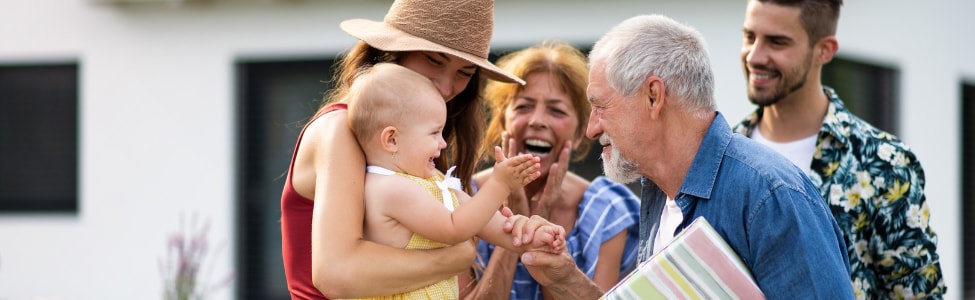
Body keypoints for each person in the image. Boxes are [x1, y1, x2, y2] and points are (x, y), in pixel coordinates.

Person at [515, 14, 855, 299]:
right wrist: (567, 281)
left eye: (600, 106)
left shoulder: (770, 196)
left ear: (653, 96)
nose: (592, 128)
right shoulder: (658, 190)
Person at [278, 0, 535, 298]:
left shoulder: (416, 145)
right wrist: (455, 257)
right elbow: (336, 275)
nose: (446, 86)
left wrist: (523, 228)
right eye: (434, 61)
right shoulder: (339, 129)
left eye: (464, 73)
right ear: (391, 51)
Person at [733, 0, 946, 298]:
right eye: (749, 36)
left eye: (777, 42)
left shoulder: (885, 164)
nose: (754, 56)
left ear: (825, 50)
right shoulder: (724, 157)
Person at [344, 62, 564, 299]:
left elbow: (484, 221)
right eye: (434, 133)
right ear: (392, 140)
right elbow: (454, 228)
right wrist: (500, 185)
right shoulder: (389, 188)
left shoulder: (430, 180)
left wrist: (528, 235)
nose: (442, 143)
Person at [459, 41, 640, 299]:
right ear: (501, 123)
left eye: (556, 110)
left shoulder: (607, 209)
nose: (537, 121)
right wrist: (517, 227)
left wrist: (541, 223)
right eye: (523, 106)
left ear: (579, 134)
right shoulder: (460, 197)